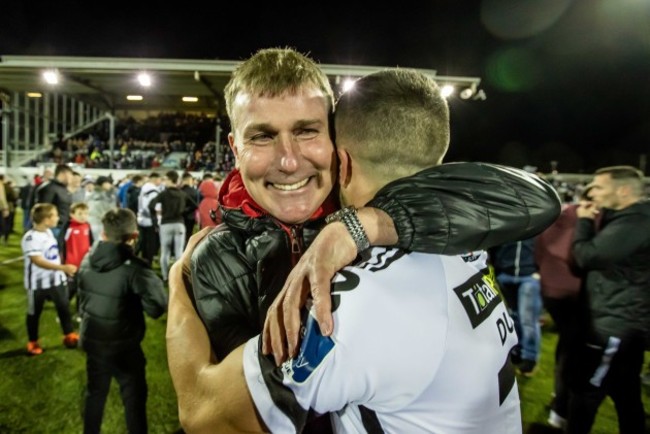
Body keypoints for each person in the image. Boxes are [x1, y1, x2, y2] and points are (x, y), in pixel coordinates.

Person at [166, 47, 559, 432]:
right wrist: (182, 279)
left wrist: (368, 223)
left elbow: (537, 199)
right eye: (263, 136)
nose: (288, 161)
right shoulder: (215, 255)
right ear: (235, 149)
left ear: (339, 146)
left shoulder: (412, 227)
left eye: (306, 131)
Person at [566, 165, 650, 434]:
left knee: (586, 391)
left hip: (613, 325)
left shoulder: (635, 222)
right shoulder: (629, 218)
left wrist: (584, 221)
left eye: (599, 186)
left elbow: (587, 257)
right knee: (626, 392)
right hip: (623, 320)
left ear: (623, 190)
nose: (592, 192)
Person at [77, 208, 167, 434]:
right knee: (134, 399)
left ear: (104, 234)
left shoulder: (87, 259)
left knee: (95, 394)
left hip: (94, 341)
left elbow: (83, 298)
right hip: (124, 346)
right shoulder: (136, 268)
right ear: (134, 236)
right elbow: (157, 307)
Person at [534, 186, 596, 429]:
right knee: (575, 352)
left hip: (552, 290)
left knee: (568, 347)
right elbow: (587, 257)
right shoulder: (590, 220)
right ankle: (562, 406)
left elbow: (540, 251)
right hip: (578, 293)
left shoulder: (556, 216)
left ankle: (559, 401)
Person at [21, 203, 79, 356]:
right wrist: (63, 268)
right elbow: (37, 261)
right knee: (34, 313)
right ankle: (33, 342)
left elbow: (52, 254)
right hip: (37, 284)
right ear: (46, 220)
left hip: (56, 280)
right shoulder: (30, 238)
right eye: (55, 215)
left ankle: (69, 335)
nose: (58, 217)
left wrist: (61, 270)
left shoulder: (48, 232)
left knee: (63, 308)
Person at [490, 237, 542, 377]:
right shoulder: (511, 221)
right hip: (505, 274)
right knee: (513, 315)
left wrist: (539, 271)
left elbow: (545, 246)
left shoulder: (537, 223)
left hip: (529, 276)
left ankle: (529, 357)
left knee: (528, 319)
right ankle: (516, 350)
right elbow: (494, 246)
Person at [148, 170, 187, 281]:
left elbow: (151, 205)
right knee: (179, 252)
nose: (164, 181)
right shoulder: (182, 194)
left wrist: (155, 218)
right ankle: (178, 277)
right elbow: (194, 205)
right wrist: (183, 212)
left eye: (165, 179)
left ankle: (165, 276)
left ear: (170, 180)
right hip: (179, 224)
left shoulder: (163, 194)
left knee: (165, 252)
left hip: (166, 224)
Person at [62, 202, 94, 317]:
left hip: (85, 265)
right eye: (80, 213)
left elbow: (91, 242)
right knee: (70, 290)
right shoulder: (68, 227)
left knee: (82, 289)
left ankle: (80, 313)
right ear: (72, 214)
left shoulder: (87, 226)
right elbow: (61, 244)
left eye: (86, 213)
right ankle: (63, 313)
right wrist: (63, 263)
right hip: (71, 265)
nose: (83, 216)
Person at [34, 163, 74, 242]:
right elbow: (43, 209)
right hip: (54, 228)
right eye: (71, 175)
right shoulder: (50, 188)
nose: (72, 178)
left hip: (63, 227)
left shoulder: (63, 189)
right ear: (63, 174)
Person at [136, 172, 162, 264]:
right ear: (155, 179)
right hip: (150, 220)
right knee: (150, 243)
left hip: (142, 219)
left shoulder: (143, 188)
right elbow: (152, 207)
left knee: (143, 242)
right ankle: (147, 263)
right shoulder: (153, 191)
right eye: (160, 179)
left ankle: (142, 260)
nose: (160, 181)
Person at [86, 176, 118, 244]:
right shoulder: (104, 196)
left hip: (92, 222)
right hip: (99, 223)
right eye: (108, 183)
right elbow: (109, 209)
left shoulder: (92, 194)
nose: (110, 185)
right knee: (99, 243)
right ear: (103, 184)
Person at [179, 172, 199, 247]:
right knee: (188, 235)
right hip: (191, 216)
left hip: (180, 216)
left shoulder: (179, 191)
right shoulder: (194, 191)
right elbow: (196, 204)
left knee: (181, 236)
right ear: (188, 180)